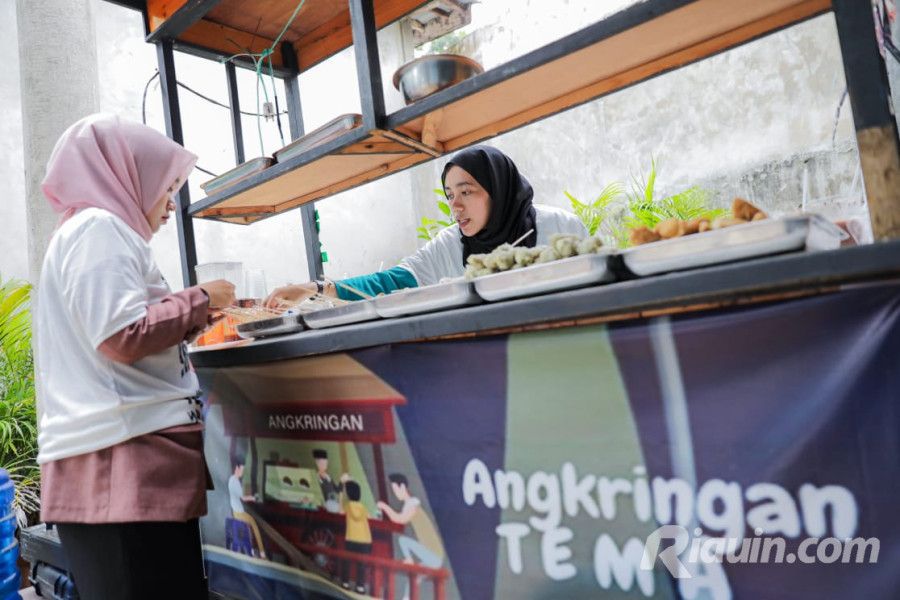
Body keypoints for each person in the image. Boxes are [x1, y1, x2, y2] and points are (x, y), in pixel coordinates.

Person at [34, 113, 236, 600]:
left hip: (124, 466)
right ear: (126, 172)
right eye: (167, 186)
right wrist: (202, 298)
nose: (171, 204)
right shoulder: (98, 229)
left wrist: (194, 316)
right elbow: (122, 333)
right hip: (121, 466)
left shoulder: (93, 233)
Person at [265, 145, 588, 305]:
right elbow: (389, 282)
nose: (455, 205)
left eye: (466, 192)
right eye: (449, 195)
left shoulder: (560, 228)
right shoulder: (450, 245)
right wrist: (315, 289)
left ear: (499, 190)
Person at [376, 473, 444, 600]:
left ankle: (409, 560)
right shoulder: (410, 505)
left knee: (403, 541)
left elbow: (399, 520)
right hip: (433, 556)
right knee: (413, 579)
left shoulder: (413, 505)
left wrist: (384, 507)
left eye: (395, 489)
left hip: (433, 555)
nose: (395, 493)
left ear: (402, 487)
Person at [228, 458, 267, 559]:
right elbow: (244, 498)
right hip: (239, 513)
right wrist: (253, 498)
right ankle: (262, 553)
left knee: (250, 527)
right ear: (236, 468)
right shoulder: (235, 482)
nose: (242, 472)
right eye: (242, 470)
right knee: (254, 525)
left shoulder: (231, 480)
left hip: (236, 511)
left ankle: (252, 550)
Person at [342, 480, 372, 593]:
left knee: (347, 561)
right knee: (361, 564)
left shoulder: (348, 506)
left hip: (351, 538)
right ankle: (360, 587)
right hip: (365, 539)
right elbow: (369, 517)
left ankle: (345, 583)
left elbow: (340, 512)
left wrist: (340, 498)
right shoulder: (362, 507)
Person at [313, 448, 348, 513]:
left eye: (325, 462)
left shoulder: (328, 477)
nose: (325, 464)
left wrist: (341, 482)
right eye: (322, 462)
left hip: (334, 505)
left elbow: (337, 490)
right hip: (324, 506)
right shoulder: (316, 478)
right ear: (317, 463)